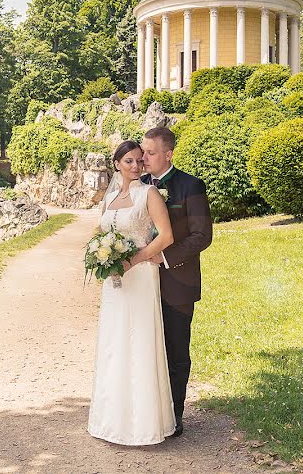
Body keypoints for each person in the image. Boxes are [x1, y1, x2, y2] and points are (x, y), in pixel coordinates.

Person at [87, 140, 177, 445]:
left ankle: (143, 425)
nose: (136, 166)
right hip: (114, 283)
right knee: (114, 343)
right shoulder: (111, 196)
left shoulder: (149, 194)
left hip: (140, 277)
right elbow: (101, 234)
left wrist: (133, 260)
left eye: (140, 161)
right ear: (117, 164)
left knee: (138, 342)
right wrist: (100, 257)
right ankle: (112, 421)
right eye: (129, 161)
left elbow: (166, 236)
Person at [140, 127, 213, 437]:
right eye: (142, 151)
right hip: (140, 284)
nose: (143, 158)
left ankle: (174, 414)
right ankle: (147, 412)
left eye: (150, 153)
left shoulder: (190, 186)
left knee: (176, 351)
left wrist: (166, 257)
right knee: (143, 348)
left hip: (177, 281)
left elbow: (202, 236)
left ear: (168, 154)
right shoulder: (138, 185)